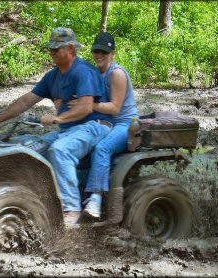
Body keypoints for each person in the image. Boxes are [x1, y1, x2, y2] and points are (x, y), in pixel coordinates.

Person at [0, 27, 113, 225]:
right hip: (69, 130)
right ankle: (36, 202)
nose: (53, 52)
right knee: (25, 147)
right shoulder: (52, 76)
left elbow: (86, 107)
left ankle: (71, 210)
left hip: (95, 126)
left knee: (60, 150)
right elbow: (25, 101)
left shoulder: (84, 72)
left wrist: (59, 119)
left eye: (57, 49)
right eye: (51, 49)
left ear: (71, 48)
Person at [68, 32, 139, 219]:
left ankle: (96, 200)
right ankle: (76, 194)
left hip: (125, 123)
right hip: (105, 123)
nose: (99, 55)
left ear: (112, 54)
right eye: (96, 51)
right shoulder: (93, 73)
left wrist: (87, 105)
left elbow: (115, 108)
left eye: (104, 52)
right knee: (78, 145)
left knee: (102, 148)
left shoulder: (117, 74)